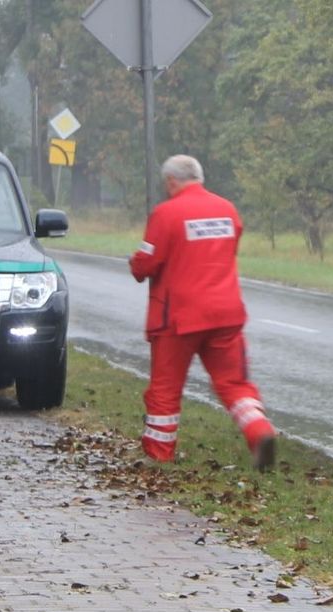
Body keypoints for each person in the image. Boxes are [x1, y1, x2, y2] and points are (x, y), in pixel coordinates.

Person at [128, 154, 277, 470]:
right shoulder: (227, 210)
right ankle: (259, 431)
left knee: (165, 391)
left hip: (178, 318)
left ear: (171, 181)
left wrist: (135, 263)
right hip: (225, 314)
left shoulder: (166, 213)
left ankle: (159, 455)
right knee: (234, 383)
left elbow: (147, 263)